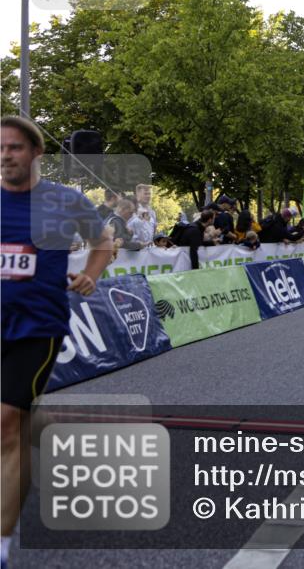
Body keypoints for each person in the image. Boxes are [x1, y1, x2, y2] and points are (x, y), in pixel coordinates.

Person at [1, 116, 113, 568]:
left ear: (36, 153)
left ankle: (2, 545)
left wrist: (89, 275)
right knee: (20, 419)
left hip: (37, 328)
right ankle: (46, 427)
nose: (6, 155)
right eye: (0, 148)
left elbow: (104, 242)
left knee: (7, 422)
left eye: (15, 147)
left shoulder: (66, 201)